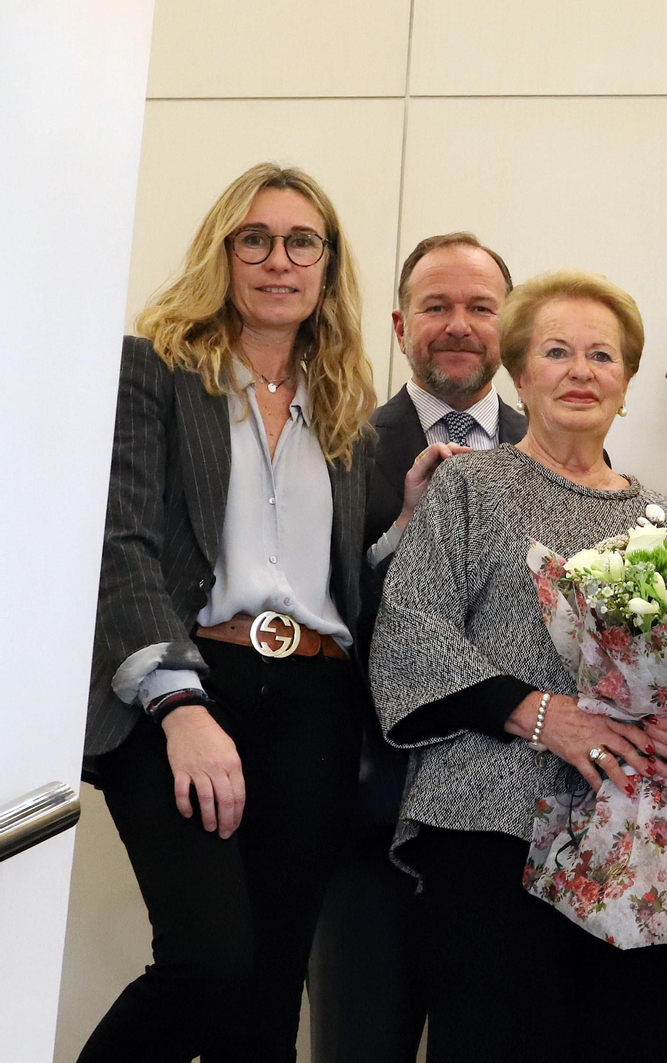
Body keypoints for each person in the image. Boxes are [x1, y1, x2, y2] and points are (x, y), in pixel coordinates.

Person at [368, 269, 667, 1062]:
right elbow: (409, 630)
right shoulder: (469, 488)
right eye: (557, 352)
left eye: (602, 356)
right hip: (491, 840)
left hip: (640, 840)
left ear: (626, 382)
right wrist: (544, 714)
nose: (581, 371)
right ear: (519, 373)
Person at [81, 162, 376, 1061]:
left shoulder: (343, 403)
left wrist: (401, 518)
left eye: (301, 243)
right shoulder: (154, 370)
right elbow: (120, 544)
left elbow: (334, 582)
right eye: (255, 239)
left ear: (327, 266)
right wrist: (179, 705)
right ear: (225, 253)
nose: (277, 260)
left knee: (266, 999)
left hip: (314, 708)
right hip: (187, 691)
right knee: (208, 965)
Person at [307, 232, 522, 1063]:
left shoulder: (565, 448)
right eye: (436, 307)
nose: (458, 325)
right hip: (370, 816)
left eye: (479, 307)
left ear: (510, 325)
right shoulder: (334, 444)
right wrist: (401, 529)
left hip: (517, 831)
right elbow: (315, 620)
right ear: (401, 324)